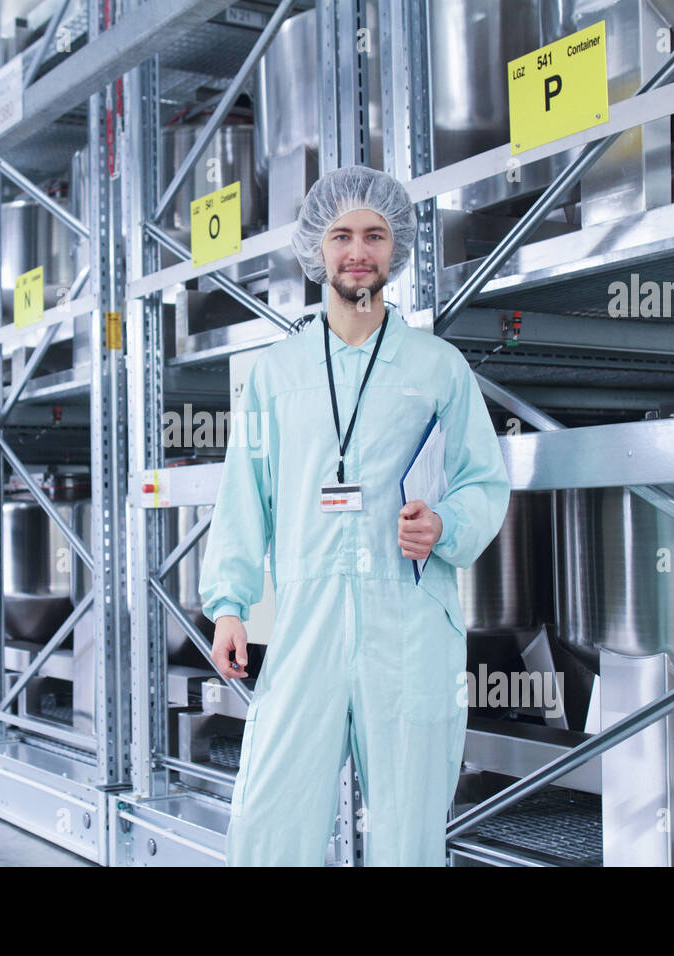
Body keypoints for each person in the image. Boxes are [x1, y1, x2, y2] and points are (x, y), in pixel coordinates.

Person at [197, 164, 512, 866]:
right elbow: (244, 491)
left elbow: (483, 481)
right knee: (270, 824)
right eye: (341, 235)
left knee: (408, 834)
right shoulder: (275, 375)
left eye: (374, 235)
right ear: (318, 251)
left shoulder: (438, 368)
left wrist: (446, 526)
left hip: (409, 625)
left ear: (394, 249)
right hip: (305, 624)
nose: (357, 251)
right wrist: (229, 603)